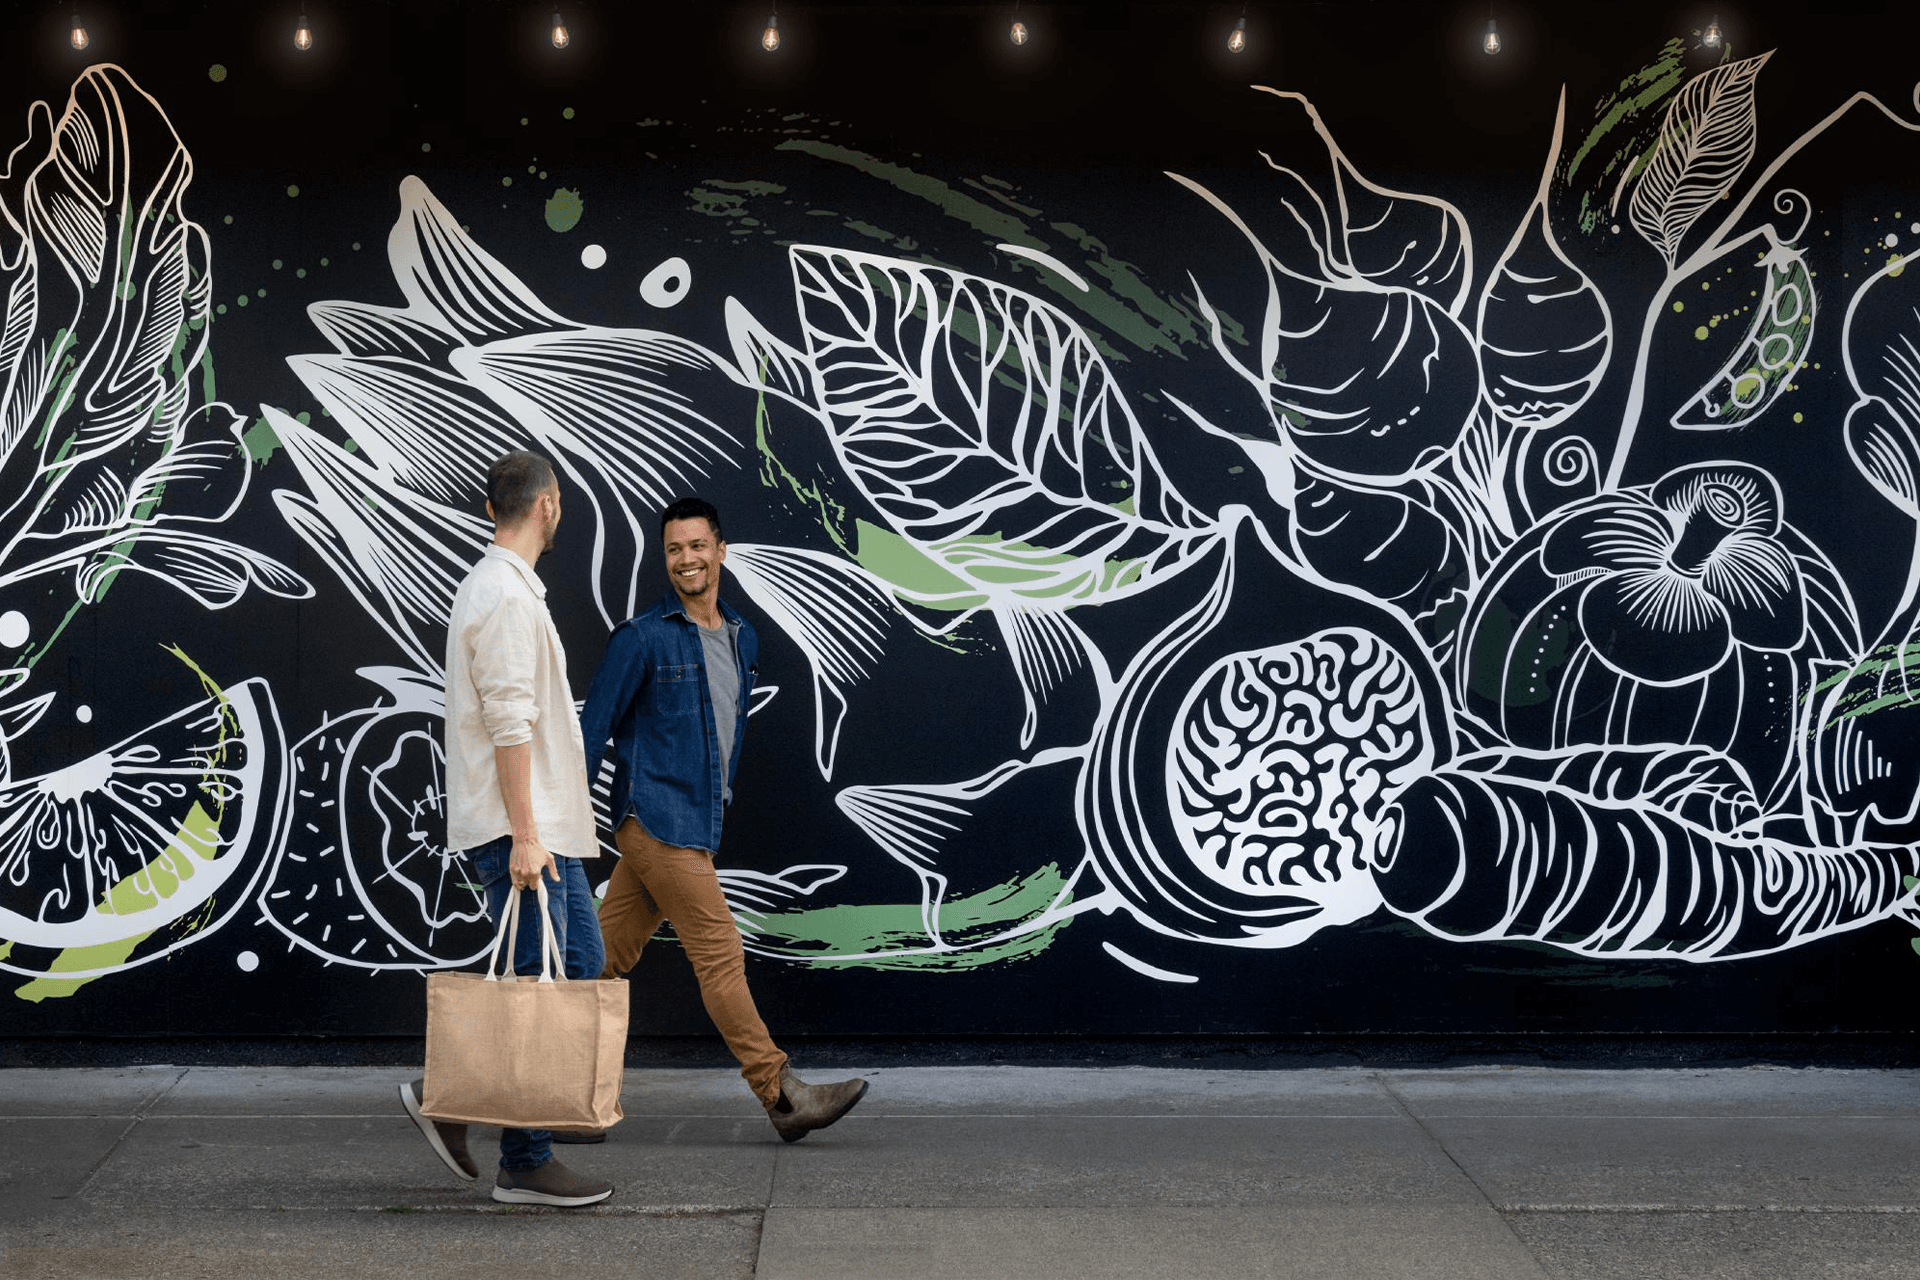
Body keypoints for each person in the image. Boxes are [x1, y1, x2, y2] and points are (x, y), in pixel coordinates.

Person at [576, 495, 868, 1143]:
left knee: (597, 961)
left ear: (721, 550)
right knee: (720, 954)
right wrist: (563, 832)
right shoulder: (643, 639)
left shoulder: (743, 637)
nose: (688, 559)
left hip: (696, 821)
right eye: (675, 549)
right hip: (655, 818)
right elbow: (591, 732)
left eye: (698, 545)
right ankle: (781, 1093)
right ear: (666, 558)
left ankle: (511, 1081)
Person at [399, 449, 613, 1207]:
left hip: (548, 825)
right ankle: (524, 1160)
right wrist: (525, 834)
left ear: (496, 508)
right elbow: (509, 720)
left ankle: (452, 1096)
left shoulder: (509, 588)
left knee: (579, 963)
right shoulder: (503, 595)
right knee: (538, 982)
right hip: (527, 829)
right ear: (548, 505)